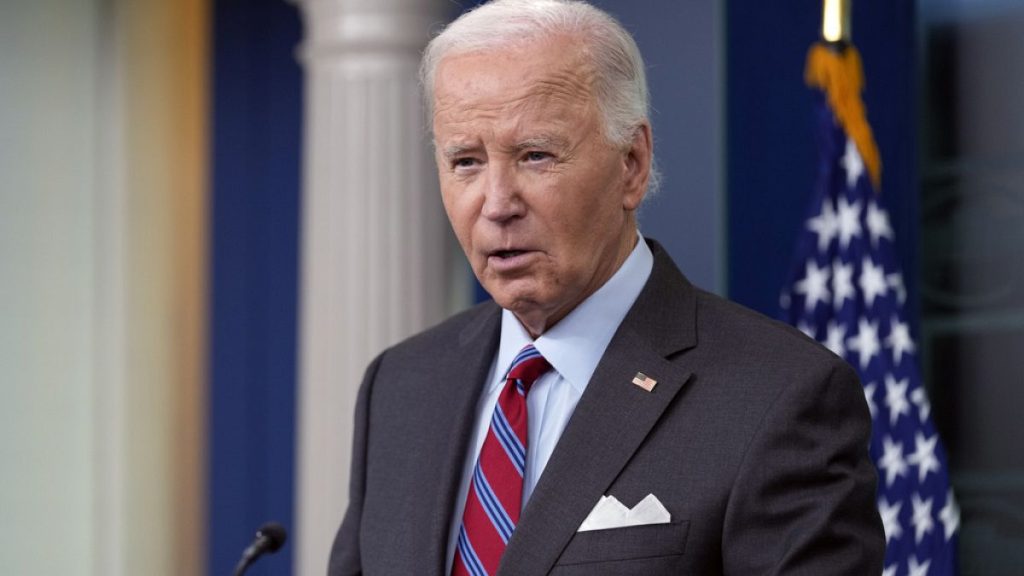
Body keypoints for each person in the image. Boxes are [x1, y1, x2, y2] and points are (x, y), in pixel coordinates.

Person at [328, 1, 885, 574]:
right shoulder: (400, 385)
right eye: (466, 161)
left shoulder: (780, 396)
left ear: (632, 165)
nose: (496, 204)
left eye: (535, 156)